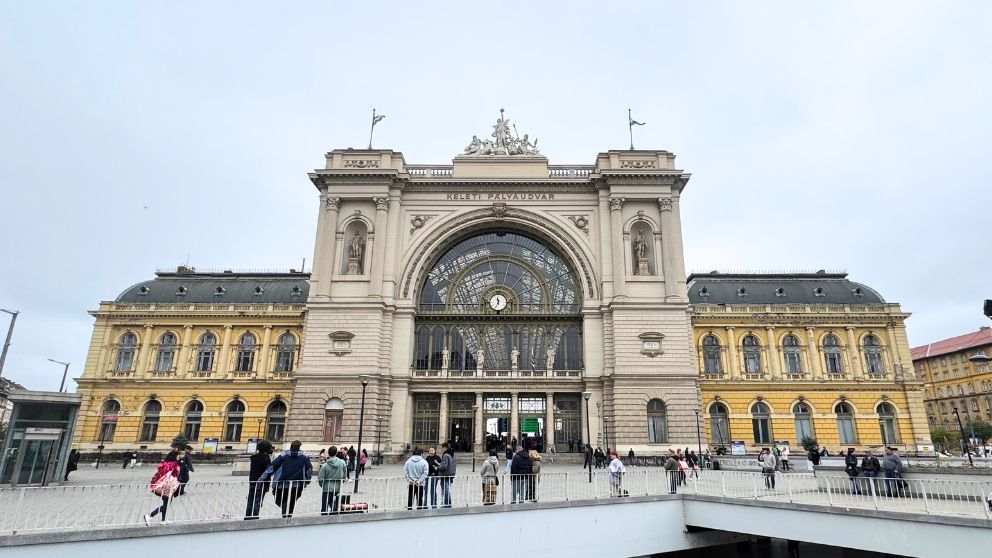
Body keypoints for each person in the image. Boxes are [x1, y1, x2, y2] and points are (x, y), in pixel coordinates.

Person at [260, 440, 312, 518]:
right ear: (299, 447)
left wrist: (261, 479)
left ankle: (285, 510)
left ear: (291, 447)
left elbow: (272, 467)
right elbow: (309, 470)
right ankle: (288, 516)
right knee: (292, 502)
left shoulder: (284, 455)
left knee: (278, 500)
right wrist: (307, 481)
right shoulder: (305, 457)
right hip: (297, 484)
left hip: (282, 484)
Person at [144, 449, 183, 525]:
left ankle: (163, 520)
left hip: (163, 485)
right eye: (178, 456)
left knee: (166, 503)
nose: (179, 457)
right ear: (175, 456)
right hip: (168, 486)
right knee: (167, 504)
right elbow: (174, 473)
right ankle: (150, 516)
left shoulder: (166, 463)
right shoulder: (173, 464)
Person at [245, 440, 273, 520]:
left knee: (250, 500)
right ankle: (254, 518)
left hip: (253, 481)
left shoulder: (254, 458)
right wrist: (267, 486)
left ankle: (247, 517)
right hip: (261, 484)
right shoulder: (266, 459)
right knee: (257, 502)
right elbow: (267, 473)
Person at [317, 445, 348, 515]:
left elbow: (320, 477)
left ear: (328, 453)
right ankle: (334, 515)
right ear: (336, 453)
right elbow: (345, 474)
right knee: (335, 504)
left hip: (327, 487)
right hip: (338, 486)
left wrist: (322, 485)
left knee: (324, 505)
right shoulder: (342, 462)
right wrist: (343, 479)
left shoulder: (325, 465)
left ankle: (324, 517)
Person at [437, 442, 457, 508]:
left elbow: (444, 466)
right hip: (451, 475)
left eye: (442, 448)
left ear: (444, 448)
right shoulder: (453, 454)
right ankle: (447, 504)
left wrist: (437, 467)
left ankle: (446, 505)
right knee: (447, 490)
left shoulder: (446, 455)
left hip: (445, 475)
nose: (441, 450)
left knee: (445, 491)